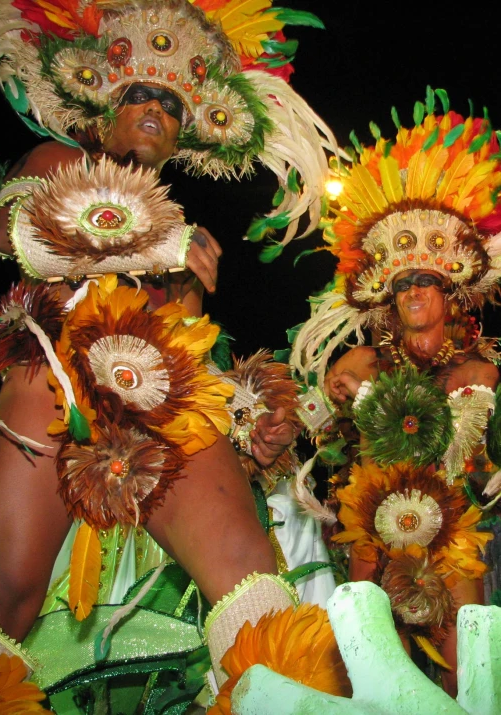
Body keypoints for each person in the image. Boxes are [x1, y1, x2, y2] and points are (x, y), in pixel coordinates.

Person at [0, 0, 342, 709]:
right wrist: (146, 241)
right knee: (4, 598)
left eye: (175, 104)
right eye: (141, 92)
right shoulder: (63, 162)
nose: (158, 108)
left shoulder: (180, 232)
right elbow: (14, 232)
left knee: (250, 582)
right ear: (104, 100)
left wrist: (248, 421)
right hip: (57, 378)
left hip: (161, 402)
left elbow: (187, 345)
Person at [290, 87, 501, 697]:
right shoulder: (360, 362)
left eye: (425, 282)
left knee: (468, 655)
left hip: (457, 530)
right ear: (386, 291)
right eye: (402, 282)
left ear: (449, 292)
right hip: (372, 531)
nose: (412, 292)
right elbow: (314, 428)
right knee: (366, 649)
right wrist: (325, 408)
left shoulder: (482, 372)